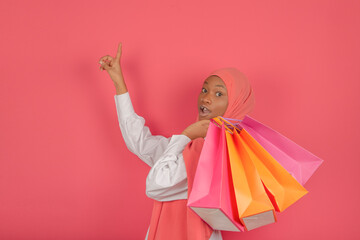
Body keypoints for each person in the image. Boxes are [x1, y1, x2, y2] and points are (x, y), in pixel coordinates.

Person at [99, 42, 255, 240]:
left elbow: (157, 184)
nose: (206, 99)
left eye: (218, 94)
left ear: (234, 104)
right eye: (204, 90)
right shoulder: (189, 146)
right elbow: (139, 142)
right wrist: (119, 83)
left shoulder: (219, 153)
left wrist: (186, 136)